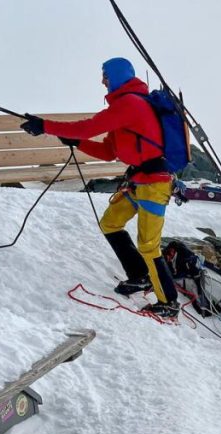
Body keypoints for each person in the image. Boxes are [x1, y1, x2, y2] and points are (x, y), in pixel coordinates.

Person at [20, 57, 179, 319]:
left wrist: (45, 126)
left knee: (149, 245)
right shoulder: (125, 106)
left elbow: (90, 127)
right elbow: (107, 151)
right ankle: (140, 275)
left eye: (105, 74)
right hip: (139, 181)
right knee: (110, 223)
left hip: (155, 184)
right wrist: (73, 141)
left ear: (117, 76)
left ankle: (168, 303)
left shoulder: (130, 103)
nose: (102, 80)